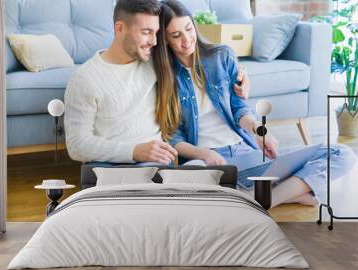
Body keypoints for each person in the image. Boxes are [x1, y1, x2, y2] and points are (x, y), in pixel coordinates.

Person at [153, 0, 357, 207]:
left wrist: (258, 130)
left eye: (189, 29)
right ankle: (285, 191)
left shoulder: (221, 56)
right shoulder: (163, 77)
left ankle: (260, 200)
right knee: (185, 178)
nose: (187, 40)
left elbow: (238, 107)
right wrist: (203, 153)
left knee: (342, 153)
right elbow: (172, 137)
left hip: (243, 153)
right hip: (206, 162)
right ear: (165, 40)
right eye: (176, 35)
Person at [64, 0, 250, 166]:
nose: (153, 42)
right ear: (119, 29)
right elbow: (77, 145)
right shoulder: (85, 79)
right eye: (146, 32)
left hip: (158, 164)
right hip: (112, 167)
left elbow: (205, 61)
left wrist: (240, 76)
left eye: (156, 33)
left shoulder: (157, 62)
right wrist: (134, 151)